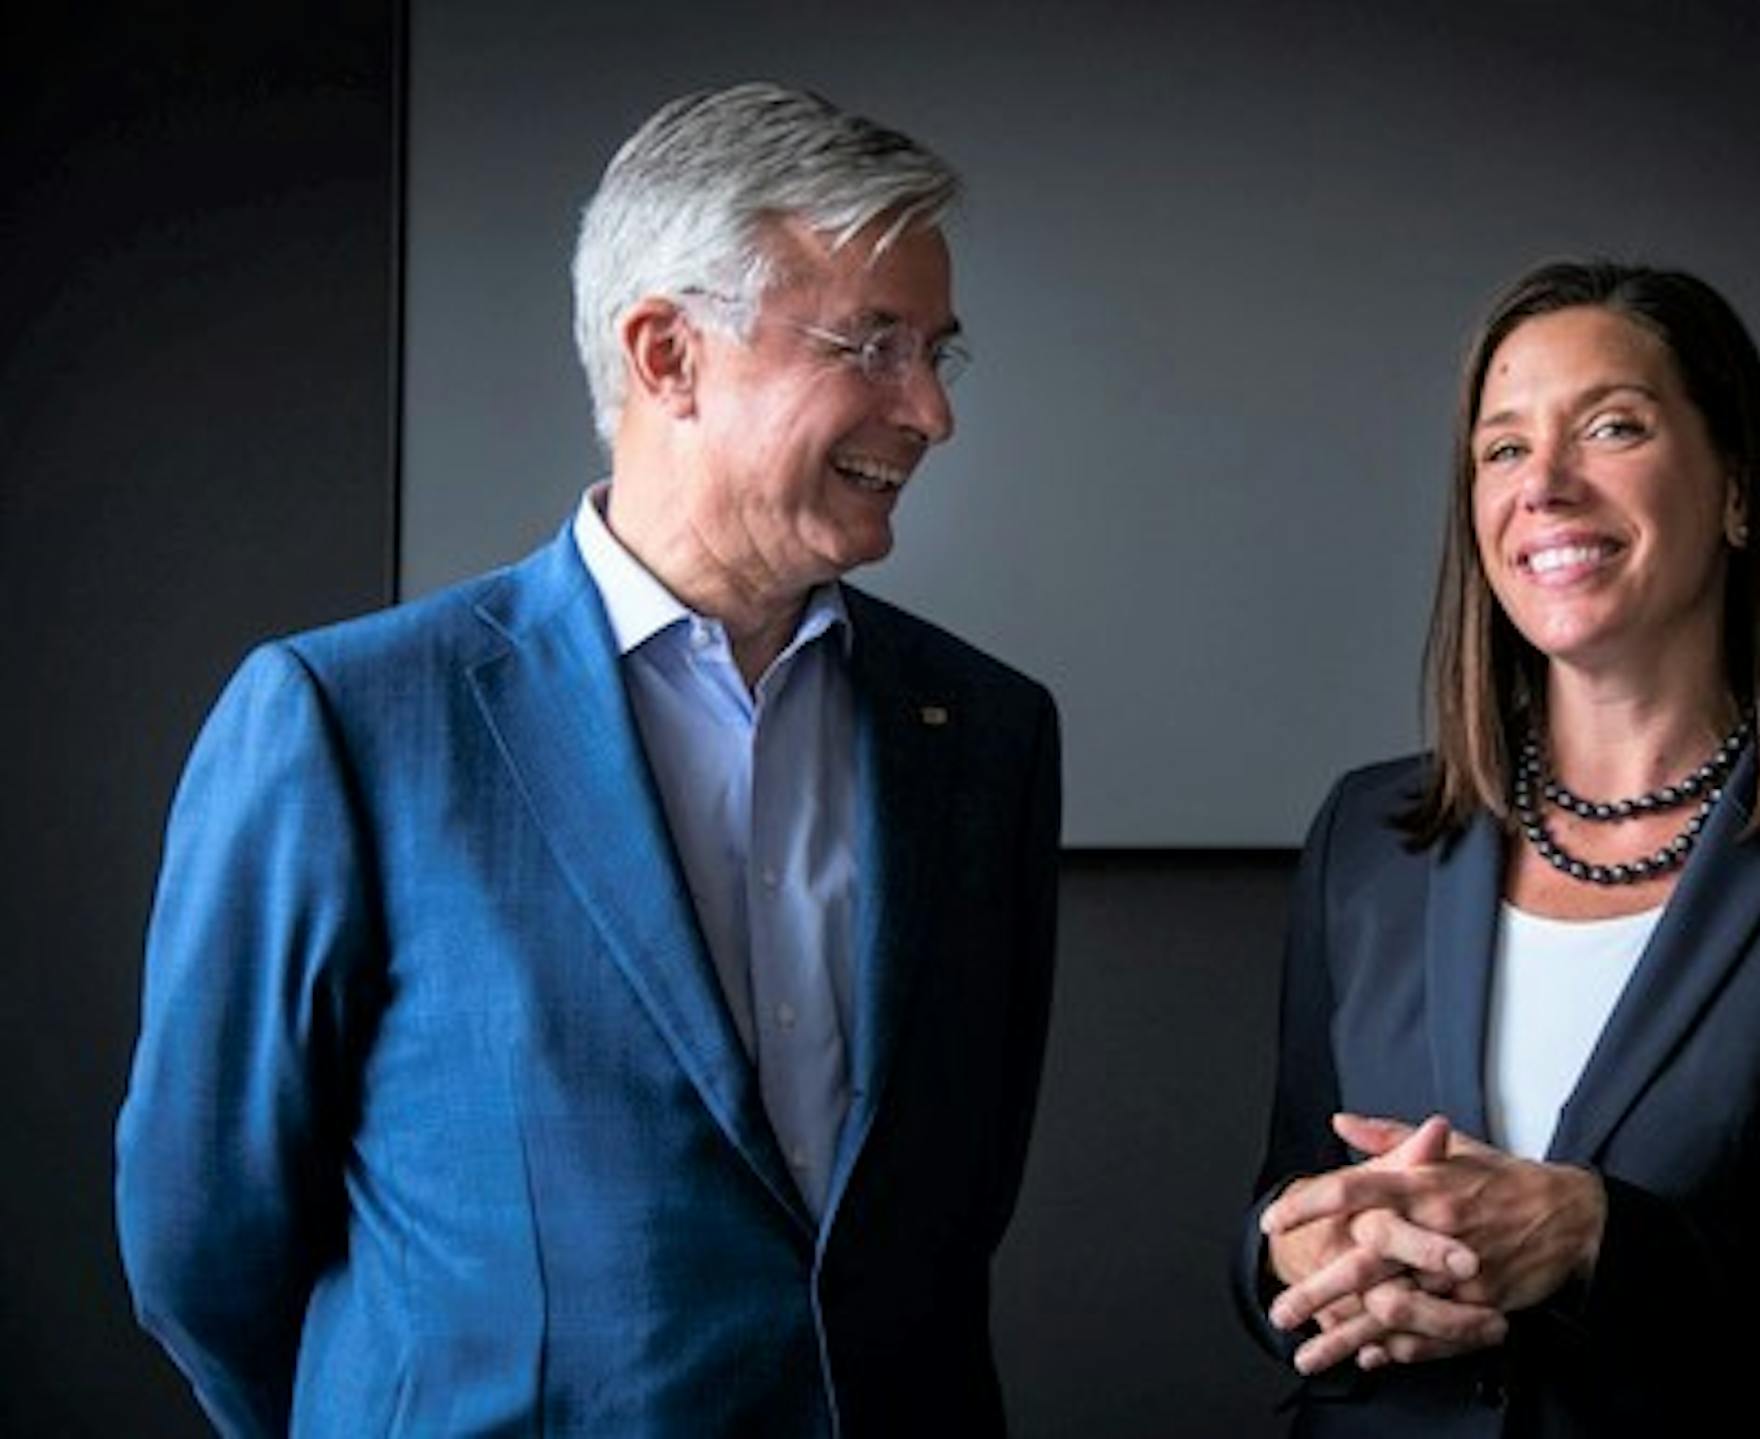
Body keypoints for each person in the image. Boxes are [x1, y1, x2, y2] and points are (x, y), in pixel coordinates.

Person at [117, 83, 1059, 1437]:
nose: (929, 412)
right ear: (667, 354)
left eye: (937, 352)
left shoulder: (986, 732)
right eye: (873, 343)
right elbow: (202, 1242)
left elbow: (952, 1212)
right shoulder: (347, 718)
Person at [1234, 259, 1760, 1436]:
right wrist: (1286, 1253)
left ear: (1739, 489)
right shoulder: (1368, 838)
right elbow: (1280, 1216)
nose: (1543, 485)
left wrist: (1603, 1238)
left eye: (1611, 426)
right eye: (1502, 449)